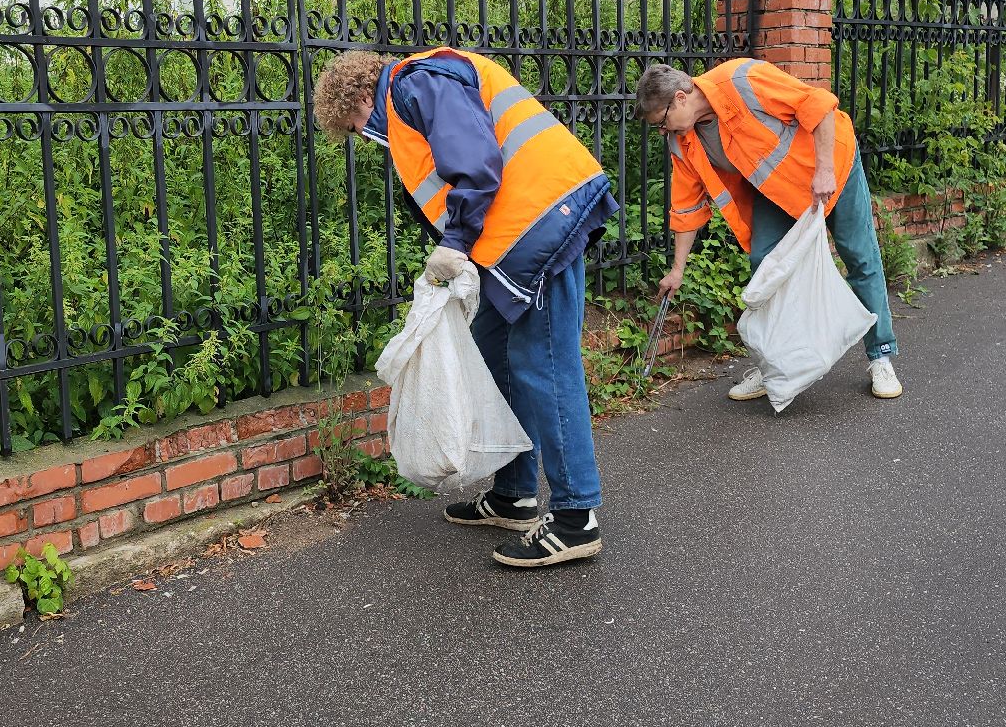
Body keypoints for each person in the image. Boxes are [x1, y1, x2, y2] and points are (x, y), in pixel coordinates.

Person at [313, 47, 618, 568]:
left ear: (362, 95)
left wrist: (455, 242)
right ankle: (514, 494)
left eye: (355, 123)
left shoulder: (414, 86)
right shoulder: (414, 95)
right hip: (517, 234)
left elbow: (476, 165)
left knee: (544, 365)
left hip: (542, 224)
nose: (362, 135)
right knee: (493, 355)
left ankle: (576, 517)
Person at [636, 59, 903, 400]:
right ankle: (776, 368)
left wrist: (824, 171)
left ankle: (880, 356)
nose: (663, 131)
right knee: (764, 264)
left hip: (832, 165)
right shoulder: (682, 140)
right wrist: (677, 270)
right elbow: (687, 206)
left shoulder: (743, 80)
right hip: (777, 191)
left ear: (680, 98)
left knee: (859, 256)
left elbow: (819, 104)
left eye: (661, 121)